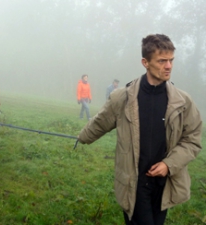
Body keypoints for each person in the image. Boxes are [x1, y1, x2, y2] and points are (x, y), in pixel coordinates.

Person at [77, 34, 202, 225]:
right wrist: (81, 137)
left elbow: (192, 139)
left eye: (171, 60)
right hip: (134, 185)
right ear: (145, 62)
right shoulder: (123, 98)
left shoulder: (182, 101)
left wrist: (169, 164)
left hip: (165, 184)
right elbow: (100, 121)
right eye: (162, 61)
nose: (168, 66)